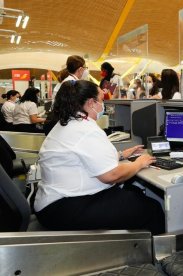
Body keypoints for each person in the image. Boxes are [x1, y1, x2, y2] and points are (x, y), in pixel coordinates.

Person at [34, 80, 165, 234]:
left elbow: (85, 158)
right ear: (91, 102)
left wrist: (121, 155)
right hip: (65, 208)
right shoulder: (86, 129)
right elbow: (111, 175)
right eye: (102, 100)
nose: (103, 105)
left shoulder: (68, 122)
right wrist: (139, 163)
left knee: (133, 194)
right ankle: (160, 255)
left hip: (53, 205)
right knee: (152, 209)